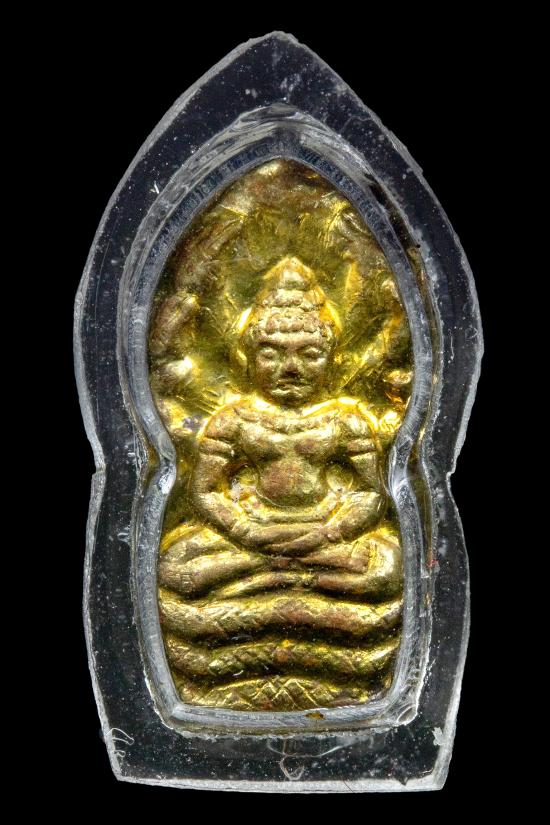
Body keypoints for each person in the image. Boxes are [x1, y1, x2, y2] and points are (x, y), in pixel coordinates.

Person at [158, 256, 402, 711]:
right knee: (176, 567)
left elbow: (372, 492)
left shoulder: (345, 420)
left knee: (388, 565)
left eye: (309, 354)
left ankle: (274, 588)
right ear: (246, 357)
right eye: (271, 353)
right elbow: (205, 491)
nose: (291, 368)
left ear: (332, 358)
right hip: (250, 532)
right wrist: (247, 531)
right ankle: (282, 585)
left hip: (323, 532)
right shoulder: (234, 419)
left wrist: (328, 533)